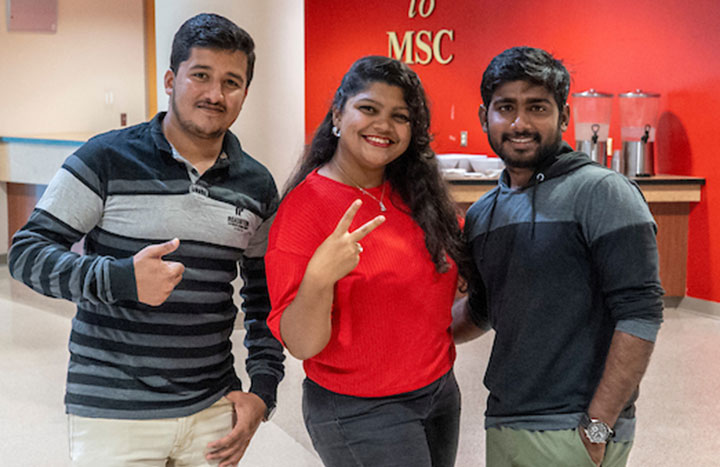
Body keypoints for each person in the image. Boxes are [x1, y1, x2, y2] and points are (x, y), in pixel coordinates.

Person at [8, 13, 284, 467]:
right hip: (114, 412)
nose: (215, 94)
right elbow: (26, 253)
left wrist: (263, 393)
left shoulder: (256, 185)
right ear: (172, 80)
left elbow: (265, 299)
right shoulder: (106, 158)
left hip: (212, 407)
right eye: (201, 76)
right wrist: (121, 280)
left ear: (245, 94)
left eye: (231, 82)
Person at [452, 46, 664, 467]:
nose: (520, 123)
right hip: (505, 417)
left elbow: (640, 314)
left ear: (564, 117)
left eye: (537, 107)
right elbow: (483, 310)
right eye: (505, 107)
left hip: (575, 428)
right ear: (484, 118)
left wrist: (599, 424)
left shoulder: (603, 193)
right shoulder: (482, 215)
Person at [264, 55, 469, 467]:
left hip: (438, 391)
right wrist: (319, 278)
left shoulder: (416, 195)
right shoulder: (306, 208)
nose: (384, 126)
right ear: (338, 114)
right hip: (361, 410)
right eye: (369, 109)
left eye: (400, 116)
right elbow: (302, 343)